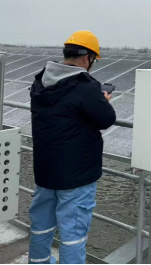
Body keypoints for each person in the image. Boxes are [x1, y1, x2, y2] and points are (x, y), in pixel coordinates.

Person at [28, 31, 117, 264]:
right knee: (73, 235)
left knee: (41, 226)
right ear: (87, 57)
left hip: (45, 171)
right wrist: (103, 101)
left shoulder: (41, 81)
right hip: (76, 175)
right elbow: (106, 119)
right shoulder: (85, 87)